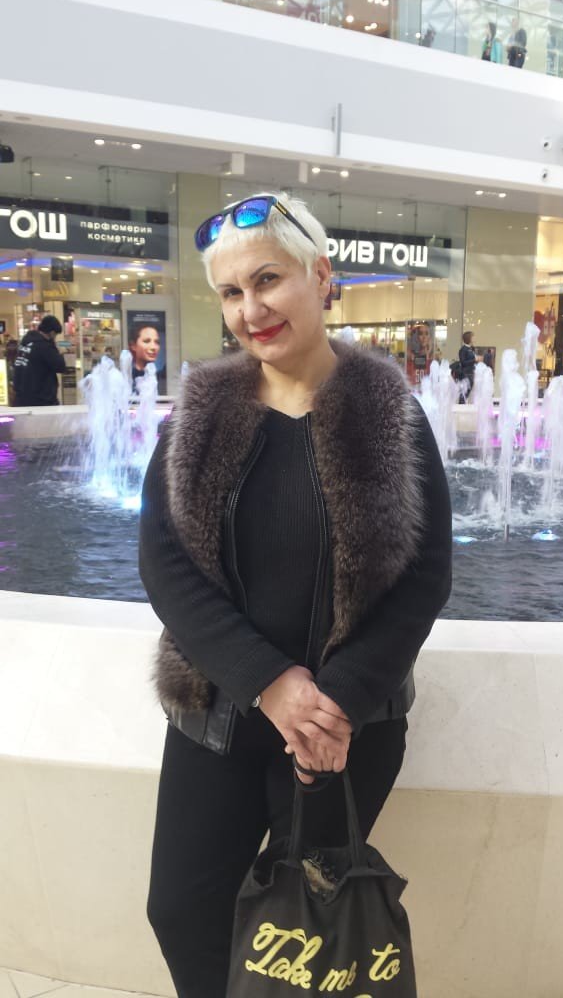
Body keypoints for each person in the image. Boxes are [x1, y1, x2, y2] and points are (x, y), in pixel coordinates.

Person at [139, 192, 452, 998]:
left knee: (304, 935)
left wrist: (334, 700)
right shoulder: (200, 414)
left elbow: (425, 575)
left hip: (338, 731)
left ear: (320, 275)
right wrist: (268, 682)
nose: (251, 310)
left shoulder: (388, 414)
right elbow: (165, 564)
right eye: (231, 292)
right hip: (218, 715)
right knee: (182, 911)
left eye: (267, 280)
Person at [13, 315, 66, 407]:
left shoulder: (25, 343)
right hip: (41, 399)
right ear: (52, 332)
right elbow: (60, 366)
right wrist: (58, 351)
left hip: (22, 397)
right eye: (55, 334)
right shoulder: (44, 346)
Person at [128, 323, 161, 392]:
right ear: (133, 345)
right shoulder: (127, 377)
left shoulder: (162, 377)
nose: (153, 347)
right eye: (146, 341)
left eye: (157, 342)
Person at [459, 330, 477, 400]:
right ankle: (461, 405)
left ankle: (463, 403)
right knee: (464, 393)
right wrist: (474, 360)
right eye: (473, 337)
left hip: (471, 373)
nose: (474, 338)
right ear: (469, 338)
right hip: (466, 374)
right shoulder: (463, 349)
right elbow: (463, 362)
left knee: (467, 393)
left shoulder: (471, 349)